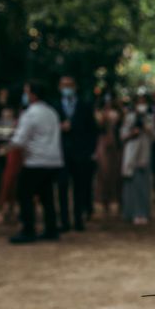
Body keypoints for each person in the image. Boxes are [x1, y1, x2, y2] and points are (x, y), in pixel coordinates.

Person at [8, 81, 63, 244]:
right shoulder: (52, 112)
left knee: (25, 195)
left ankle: (28, 229)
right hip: (53, 160)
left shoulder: (30, 114)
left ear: (33, 95)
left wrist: (6, 146)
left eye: (26, 92)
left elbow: (20, 139)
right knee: (47, 196)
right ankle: (51, 228)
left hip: (35, 161)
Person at [54, 75, 98, 232]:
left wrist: (90, 151)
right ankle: (64, 221)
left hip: (81, 154)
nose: (67, 88)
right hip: (61, 153)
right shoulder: (55, 106)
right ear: (59, 87)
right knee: (62, 188)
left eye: (70, 84)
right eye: (64, 85)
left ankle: (79, 219)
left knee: (80, 188)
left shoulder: (84, 105)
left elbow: (92, 130)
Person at [121, 102, 153, 225]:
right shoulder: (129, 118)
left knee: (144, 186)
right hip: (131, 156)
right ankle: (131, 212)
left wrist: (146, 128)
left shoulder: (149, 118)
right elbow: (122, 135)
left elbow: (154, 135)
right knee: (131, 186)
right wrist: (132, 133)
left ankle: (143, 212)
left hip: (144, 155)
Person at [94, 96, 122, 215]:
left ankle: (114, 199)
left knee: (114, 173)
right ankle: (104, 199)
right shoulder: (98, 114)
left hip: (114, 145)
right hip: (103, 145)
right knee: (103, 173)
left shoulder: (116, 114)